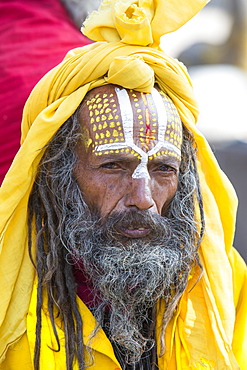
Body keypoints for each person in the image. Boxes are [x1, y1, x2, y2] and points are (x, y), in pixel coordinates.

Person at [0, 0, 246, 369]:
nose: (143, 199)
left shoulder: (222, 284)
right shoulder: (13, 299)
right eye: (114, 165)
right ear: (59, 173)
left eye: (164, 168)